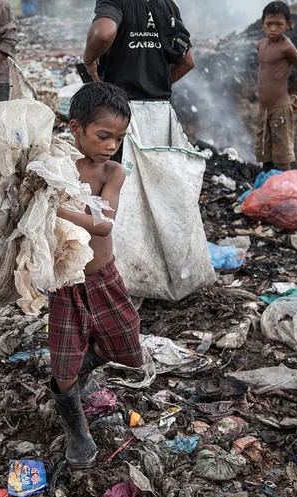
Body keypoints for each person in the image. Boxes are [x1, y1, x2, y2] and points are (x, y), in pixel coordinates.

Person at [48, 82, 143, 468]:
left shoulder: (113, 172)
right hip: (66, 280)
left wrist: (55, 210)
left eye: (118, 138)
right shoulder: (55, 168)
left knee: (127, 344)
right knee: (62, 361)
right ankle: (76, 428)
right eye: (103, 136)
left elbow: (103, 225)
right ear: (75, 129)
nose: (111, 145)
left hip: (103, 275)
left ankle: (80, 368)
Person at [84, 0, 195, 161]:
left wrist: (88, 60)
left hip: (119, 111)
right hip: (160, 114)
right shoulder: (168, 5)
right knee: (154, 175)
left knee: (116, 177)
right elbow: (188, 62)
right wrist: (155, 85)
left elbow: (103, 33)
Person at [256, 1, 297, 171]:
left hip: (280, 108)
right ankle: (268, 187)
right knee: (265, 150)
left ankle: (283, 190)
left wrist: (288, 92)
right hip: (263, 108)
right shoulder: (260, 45)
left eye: (279, 24)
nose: (273, 28)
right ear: (262, 24)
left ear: (288, 25)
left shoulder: (286, 47)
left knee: (281, 154)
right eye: (269, 24)